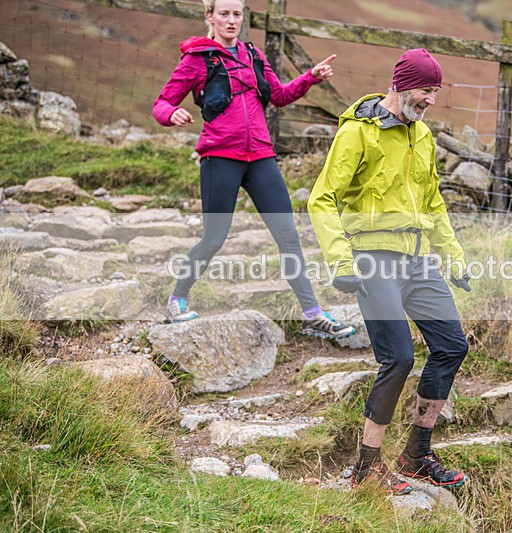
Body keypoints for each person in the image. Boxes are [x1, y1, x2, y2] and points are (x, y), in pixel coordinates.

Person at [308, 48, 472, 494]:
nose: (431, 101)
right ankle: (366, 467)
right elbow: (321, 199)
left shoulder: (423, 136)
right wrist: (341, 261)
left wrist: (452, 256)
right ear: (399, 84)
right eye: (425, 90)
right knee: (397, 356)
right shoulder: (358, 134)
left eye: (436, 92)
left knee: (452, 346)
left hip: (417, 259)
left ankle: (417, 454)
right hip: (371, 259)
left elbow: (434, 204)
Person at [152, 0, 355, 340]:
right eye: (224, 14)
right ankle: (177, 300)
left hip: (260, 156)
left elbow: (278, 95)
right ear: (210, 16)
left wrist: (310, 77)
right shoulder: (196, 60)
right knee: (214, 238)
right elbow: (162, 102)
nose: (231, 20)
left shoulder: (253, 55)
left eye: (237, 14)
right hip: (220, 156)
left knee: (288, 236)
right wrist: (170, 115)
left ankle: (313, 314)